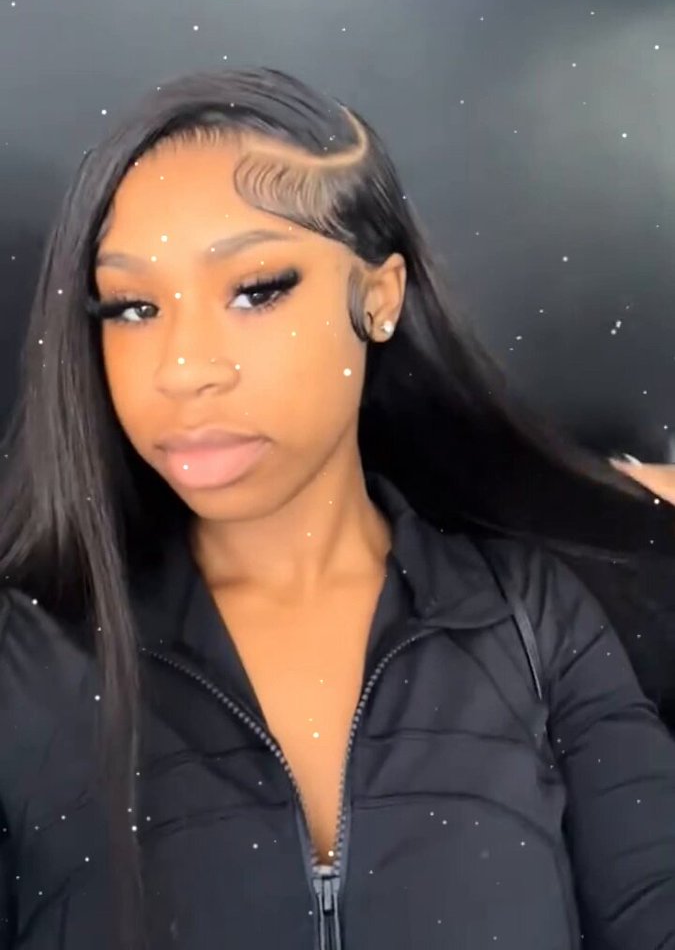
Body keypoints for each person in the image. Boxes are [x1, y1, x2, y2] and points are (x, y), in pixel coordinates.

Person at [1, 67, 675, 950]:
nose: (182, 368)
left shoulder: (529, 622)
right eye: (131, 307)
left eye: (256, 288)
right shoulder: (25, 658)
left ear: (378, 297)